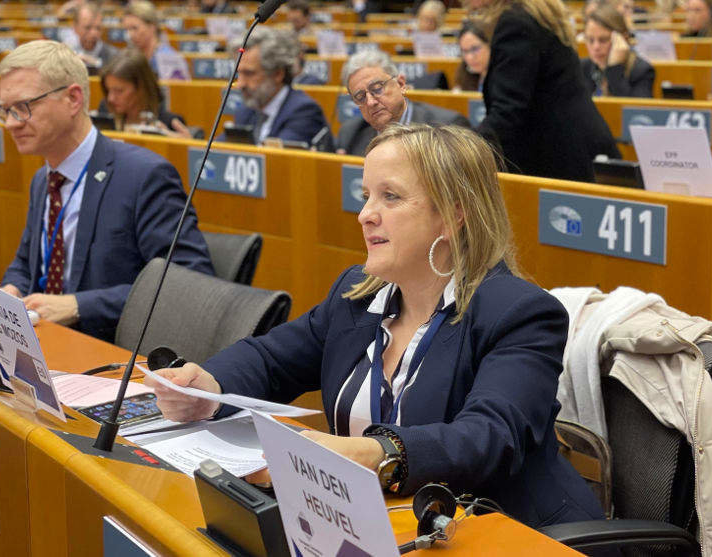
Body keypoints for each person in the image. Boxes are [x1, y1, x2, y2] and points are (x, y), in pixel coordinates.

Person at [146, 124, 607, 529]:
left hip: (509, 532)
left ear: (452, 213)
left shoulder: (520, 313)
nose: (366, 213)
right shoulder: (359, 294)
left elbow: (488, 438)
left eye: (390, 196)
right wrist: (207, 386)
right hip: (380, 525)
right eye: (365, 195)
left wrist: (373, 454)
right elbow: (271, 359)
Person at [0, 41, 213, 341]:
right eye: (5, 111)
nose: (10, 123)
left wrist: (79, 306)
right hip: (44, 342)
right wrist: (11, 291)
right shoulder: (42, 180)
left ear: (73, 99)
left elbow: (189, 282)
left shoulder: (144, 176)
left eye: (22, 108)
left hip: (113, 355)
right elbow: (25, 262)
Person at [472, 0, 620, 181]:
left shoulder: (515, 21)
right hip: (578, 148)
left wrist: (462, 149)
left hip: (562, 157)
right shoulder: (537, 12)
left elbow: (509, 109)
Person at [336, 50, 469, 156]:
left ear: (401, 84)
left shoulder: (448, 128)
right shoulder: (350, 134)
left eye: (377, 89)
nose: (370, 102)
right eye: (360, 97)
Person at [229, 28, 329, 145]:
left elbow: (276, 160)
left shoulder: (304, 112)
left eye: (249, 74)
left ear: (277, 74)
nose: (240, 84)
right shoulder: (245, 111)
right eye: (238, 74)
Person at [99, 49, 189, 136]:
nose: (110, 98)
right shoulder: (104, 112)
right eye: (108, 90)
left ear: (141, 88)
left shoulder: (170, 124)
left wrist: (185, 147)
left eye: (119, 91)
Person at [580, 5, 654, 97]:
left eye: (603, 40)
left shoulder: (641, 71)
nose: (596, 47)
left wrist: (614, 68)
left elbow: (631, 109)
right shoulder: (581, 68)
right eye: (590, 40)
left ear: (622, 39)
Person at [122, 0, 178, 76]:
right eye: (127, 29)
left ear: (152, 27)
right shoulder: (129, 57)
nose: (130, 35)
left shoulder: (169, 59)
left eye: (135, 28)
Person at [67, 3, 120, 69]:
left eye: (98, 28)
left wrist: (97, 63)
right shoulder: (65, 53)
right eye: (88, 28)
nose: (94, 33)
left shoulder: (114, 55)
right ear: (75, 27)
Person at [454, 20, 490, 92]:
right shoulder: (464, 78)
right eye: (465, 51)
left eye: (475, 49)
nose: (470, 57)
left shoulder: (507, 80)